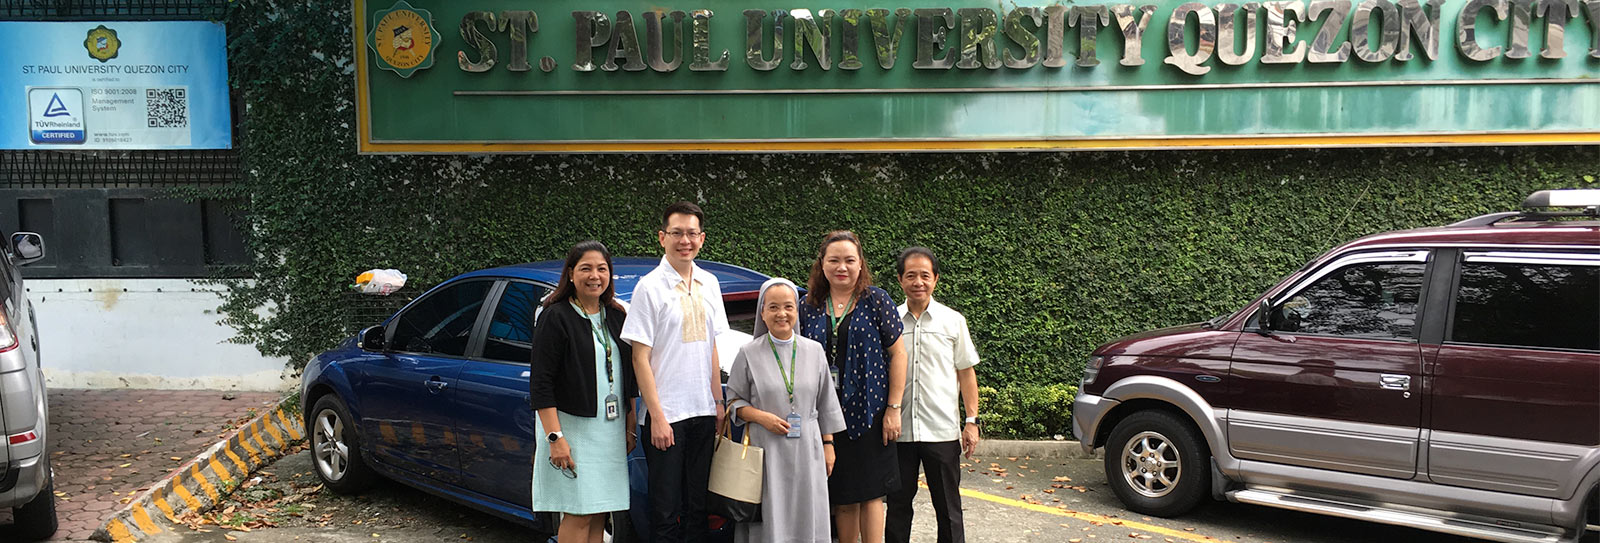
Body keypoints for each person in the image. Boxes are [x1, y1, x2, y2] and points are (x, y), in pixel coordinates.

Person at [621, 201, 730, 543]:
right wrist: (657, 416)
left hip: (702, 412)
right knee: (665, 510)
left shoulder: (710, 283)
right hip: (666, 416)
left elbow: (712, 346)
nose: (685, 240)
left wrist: (717, 401)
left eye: (692, 233)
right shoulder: (649, 288)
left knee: (699, 506)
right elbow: (640, 358)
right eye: (677, 233)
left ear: (702, 238)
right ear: (662, 238)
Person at [797, 230, 906, 543]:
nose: (841, 267)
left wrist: (893, 408)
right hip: (827, 417)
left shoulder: (876, 300)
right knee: (843, 496)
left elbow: (898, 353)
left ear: (860, 265)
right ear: (822, 264)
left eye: (849, 260)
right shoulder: (809, 305)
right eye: (834, 260)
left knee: (872, 495)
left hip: (871, 413)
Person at [530, 240, 637, 543]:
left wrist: (629, 424)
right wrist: (555, 438)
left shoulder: (615, 316)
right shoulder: (555, 316)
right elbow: (541, 383)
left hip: (610, 430)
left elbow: (628, 374)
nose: (595, 276)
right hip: (571, 430)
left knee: (600, 511)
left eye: (602, 269)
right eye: (586, 268)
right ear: (571, 274)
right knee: (578, 512)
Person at [727, 278, 846, 543]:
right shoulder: (748, 353)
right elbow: (732, 402)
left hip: (808, 448)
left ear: (796, 310)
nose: (782, 314)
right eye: (773, 307)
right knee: (771, 515)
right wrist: (761, 417)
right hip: (766, 450)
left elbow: (826, 402)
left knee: (808, 512)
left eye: (788, 307)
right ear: (763, 312)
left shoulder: (814, 351)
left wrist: (829, 444)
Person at [884, 247, 981, 543]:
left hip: (941, 430)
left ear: (935, 279)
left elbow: (966, 372)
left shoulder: (953, 321)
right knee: (898, 507)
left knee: (948, 508)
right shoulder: (889, 321)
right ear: (900, 280)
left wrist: (972, 421)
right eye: (910, 275)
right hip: (900, 431)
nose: (918, 282)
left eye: (925, 275)